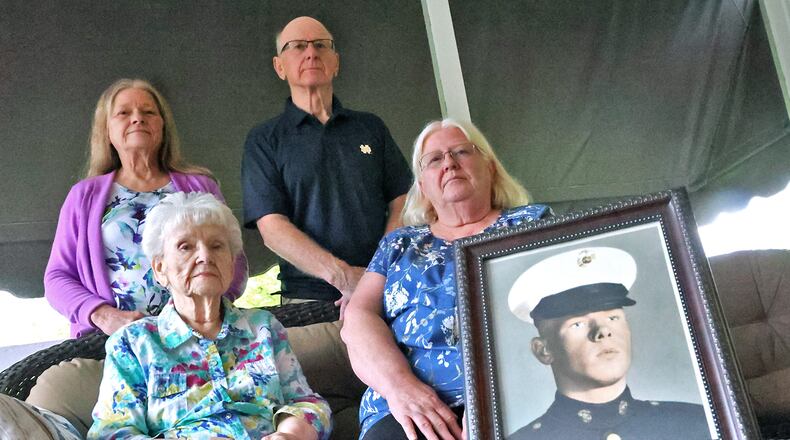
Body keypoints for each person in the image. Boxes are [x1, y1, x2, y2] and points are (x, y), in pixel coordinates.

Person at [341, 119, 550, 439]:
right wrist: (402, 387)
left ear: (490, 167)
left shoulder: (532, 224)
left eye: (462, 152)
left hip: (517, 388)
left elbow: (562, 307)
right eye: (434, 159)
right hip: (403, 406)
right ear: (422, 185)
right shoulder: (400, 243)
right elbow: (358, 317)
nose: (449, 163)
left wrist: (492, 397)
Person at [88, 192, 331, 439]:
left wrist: (290, 434)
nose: (205, 256)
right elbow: (112, 432)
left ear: (231, 263)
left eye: (217, 246)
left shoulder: (263, 328)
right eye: (186, 246)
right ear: (160, 269)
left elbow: (308, 403)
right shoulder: (134, 343)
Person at [45, 78, 247, 338]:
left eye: (148, 111)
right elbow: (57, 278)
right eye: (124, 113)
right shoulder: (84, 196)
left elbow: (234, 260)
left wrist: (203, 311)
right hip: (112, 341)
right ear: (107, 130)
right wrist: (104, 316)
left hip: (196, 335)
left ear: (162, 125)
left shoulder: (201, 186)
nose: (138, 118)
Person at [241, 16, 412, 315]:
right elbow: (272, 228)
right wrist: (345, 278)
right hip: (309, 302)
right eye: (297, 46)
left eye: (321, 45)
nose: (311, 52)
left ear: (336, 62)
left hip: (387, 289)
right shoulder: (264, 140)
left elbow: (403, 200)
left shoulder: (370, 127)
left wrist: (376, 274)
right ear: (279, 67)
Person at [507, 247, 710, 440]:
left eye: (613, 318)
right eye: (578, 324)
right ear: (543, 350)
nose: (603, 331)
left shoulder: (696, 423)